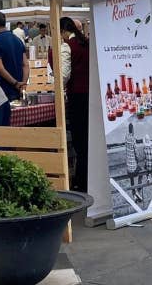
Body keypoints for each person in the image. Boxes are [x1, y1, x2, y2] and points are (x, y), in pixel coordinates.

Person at [51, 16, 90, 192]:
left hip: (77, 96)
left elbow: (63, 75)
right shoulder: (87, 44)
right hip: (91, 95)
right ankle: (90, 178)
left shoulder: (67, 47)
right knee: (90, 140)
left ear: (62, 31)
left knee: (80, 142)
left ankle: (81, 181)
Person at [0, 11, 29, 101]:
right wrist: (23, 84)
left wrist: (15, 83)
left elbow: (0, 69)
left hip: (4, 90)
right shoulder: (17, 39)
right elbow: (25, 65)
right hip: (19, 90)